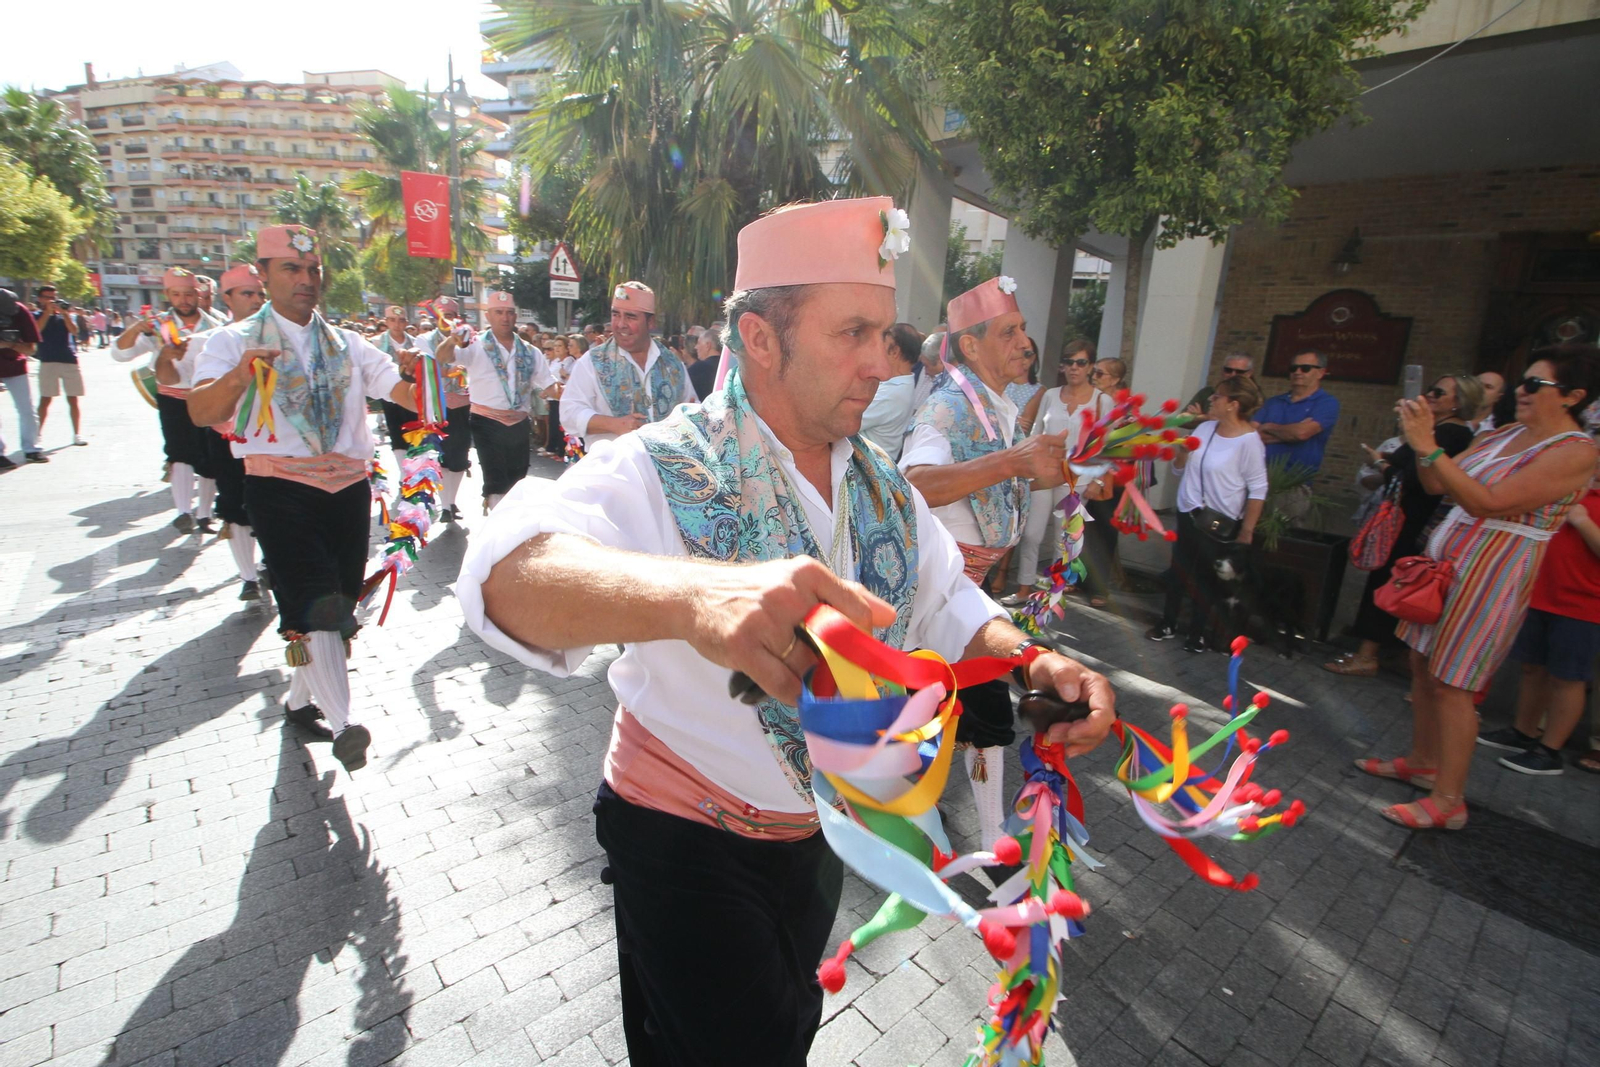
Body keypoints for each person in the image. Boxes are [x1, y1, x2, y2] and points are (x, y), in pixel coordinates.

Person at [456, 196, 1116, 1067]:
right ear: (761, 338)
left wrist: (1030, 662)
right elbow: (502, 576)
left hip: (814, 837)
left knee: (779, 1034)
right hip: (683, 839)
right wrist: (695, 597)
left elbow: (951, 600)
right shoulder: (666, 461)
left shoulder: (882, 485)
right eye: (853, 332)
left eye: (886, 334)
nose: (881, 363)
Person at [190, 224, 420, 774]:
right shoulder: (230, 341)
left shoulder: (349, 342)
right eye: (291, 269)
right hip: (279, 487)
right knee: (316, 600)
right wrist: (242, 376)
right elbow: (201, 410)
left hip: (346, 489)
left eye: (313, 270)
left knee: (338, 602)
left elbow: (399, 389)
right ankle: (345, 725)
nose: (306, 280)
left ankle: (298, 703)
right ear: (263, 274)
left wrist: (436, 381)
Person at [1355, 345, 1600, 830]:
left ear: (1573, 396)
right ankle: (1424, 762)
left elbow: (1489, 502)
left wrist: (1428, 446)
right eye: (1521, 382)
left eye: (1536, 385)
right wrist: (1420, 441)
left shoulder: (1576, 452)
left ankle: (1450, 800)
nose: (1521, 392)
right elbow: (1436, 484)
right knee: (1422, 666)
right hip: (1448, 567)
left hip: (1494, 575)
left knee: (1455, 683)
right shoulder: (1506, 434)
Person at [901, 275, 1073, 850]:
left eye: (1023, 329)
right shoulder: (948, 407)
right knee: (977, 713)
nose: (1024, 342)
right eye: (1009, 332)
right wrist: (1009, 463)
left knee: (948, 713)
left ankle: (950, 824)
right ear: (970, 346)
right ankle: (977, 834)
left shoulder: (999, 405)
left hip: (967, 590)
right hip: (936, 597)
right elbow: (915, 486)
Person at [1325, 374, 1483, 676]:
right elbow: (1402, 462)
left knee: (1391, 581)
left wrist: (1380, 465)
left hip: (1413, 521)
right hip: (1403, 516)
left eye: (1438, 392)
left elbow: (1413, 478)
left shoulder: (1451, 435)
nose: (1430, 396)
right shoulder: (1436, 430)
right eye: (1430, 390)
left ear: (1459, 402)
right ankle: (1392, 651)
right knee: (1390, 580)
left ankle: (1368, 654)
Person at [1479, 458, 1600, 775]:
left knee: (1568, 678)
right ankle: (1523, 731)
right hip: (1541, 593)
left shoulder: (1582, 504)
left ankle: (1550, 751)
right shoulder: (1571, 490)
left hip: (1584, 605)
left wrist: (1583, 521)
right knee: (1532, 667)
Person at [1147, 376, 1268, 652]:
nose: (1211, 400)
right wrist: (1181, 452)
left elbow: (1258, 489)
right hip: (1188, 512)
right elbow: (1181, 471)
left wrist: (1247, 531)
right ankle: (1168, 623)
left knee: (1205, 577)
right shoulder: (1204, 430)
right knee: (1178, 570)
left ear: (1233, 405)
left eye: (1217, 397)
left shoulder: (1249, 442)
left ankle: (1197, 633)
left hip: (1219, 520)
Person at [184, 265, 273, 603]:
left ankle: (269, 564)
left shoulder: (279, 336)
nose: (256, 300)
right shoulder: (210, 341)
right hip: (227, 440)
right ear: (228, 298)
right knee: (235, 507)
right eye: (247, 294)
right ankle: (248, 577)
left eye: (260, 294)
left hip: (271, 444)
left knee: (270, 506)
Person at [115, 268, 224, 531]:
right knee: (180, 453)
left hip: (207, 396)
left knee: (210, 458)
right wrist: (135, 329)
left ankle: (204, 515)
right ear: (168, 295)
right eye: (176, 294)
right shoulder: (157, 325)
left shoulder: (217, 324)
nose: (183, 300)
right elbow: (120, 354)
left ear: (198, 294)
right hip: (173, 397)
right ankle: (183, 512)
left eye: (188, 294)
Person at [1007, 338, 1113, 605]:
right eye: (1069, 362)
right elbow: (1036, 435)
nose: (1074, 368)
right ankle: (1023, 587)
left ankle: (1052, 594)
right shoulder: (1051, 395)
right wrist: (1029, 469)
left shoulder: (1102, 401)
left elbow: (1108, 445)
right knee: (1031, 534)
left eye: (1081, 362)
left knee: (1063, 539)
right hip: (1044, 474)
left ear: (1090, 367)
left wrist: (1098, 479)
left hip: (1078, 477)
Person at [435, 291, 557, 511]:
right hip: (486, 420)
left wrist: (574, 396)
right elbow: (442, 357)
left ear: (515, 316)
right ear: (489, 316)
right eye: (499, 312)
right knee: (496, 478)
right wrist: (451, 339)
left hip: (519, 421)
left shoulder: (530, 351)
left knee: (518, 478)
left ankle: (511, 525)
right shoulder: (473, 345)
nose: (505, 317)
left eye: (509, 313)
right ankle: (498, 528)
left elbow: (550, 385)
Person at [560, 282, 694, 450]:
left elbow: (691, 410)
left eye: (630, 317)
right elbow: (568, 414)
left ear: (650, 322)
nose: (620, 324)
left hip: (662, 471)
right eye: (616, 315)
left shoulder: (672, 365)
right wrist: (614, 424)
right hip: (610, 470)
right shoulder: (592, 362)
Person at [410, 297, 474, 521]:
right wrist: (449, 371)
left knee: (459, 455)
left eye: (452, 315)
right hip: (436, 405)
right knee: (439, 455)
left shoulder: (468, 338)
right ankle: (443, 504)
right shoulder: (424, 339)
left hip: (463, 404)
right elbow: (428, 366)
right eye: (444, 315)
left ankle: (451, 503)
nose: (449, 319)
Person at [1253, 350, 1340, 473]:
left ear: (1321, 373)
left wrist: (1268, 427)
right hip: (1258, 476)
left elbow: (1302, 433)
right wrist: (1290, 434)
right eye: (1293, 368)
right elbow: (1251, 435)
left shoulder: (1327, 403)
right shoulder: (1273, 402)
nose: (1297, 372)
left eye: (1305, 368)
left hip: (1293, 482)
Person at [856, 321, 922, 459]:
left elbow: (843, 419)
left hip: (868, 467)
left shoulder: (892, 394)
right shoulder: (897, 385)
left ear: (895, 352)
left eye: (882, 345)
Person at [33, 285, 86, 448]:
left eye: (53, 297)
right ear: (40, 299)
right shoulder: (36, 315)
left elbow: (74, 331)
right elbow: (37, 330)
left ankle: (77, 434)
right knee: (45, 399)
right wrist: (48, 313)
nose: (51, 300)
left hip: (68, 359)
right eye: (47, 297)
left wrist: (65, 314)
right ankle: (36, 435)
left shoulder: (63, 315)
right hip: (48, 360)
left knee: (73, 398)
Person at [0, 287, 45, 466]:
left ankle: (32, 449)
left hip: (14, 365)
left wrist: (7, 344)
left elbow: (31, 349)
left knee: (26, 409)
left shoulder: (19, 311)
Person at [1184, 353, 1254, 416]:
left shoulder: (1252, 398)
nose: (1233, 374)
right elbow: (1181, 418)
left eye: (1239, 372)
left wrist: (1199, 417)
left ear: (1249, 373)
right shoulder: (1207, 392)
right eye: (1228, 370)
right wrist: (1205, 419)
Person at [688, 322, 721, 401]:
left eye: (698, 343)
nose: (696, 347)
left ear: (708, 345)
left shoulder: (698, 369)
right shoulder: (729, 367)